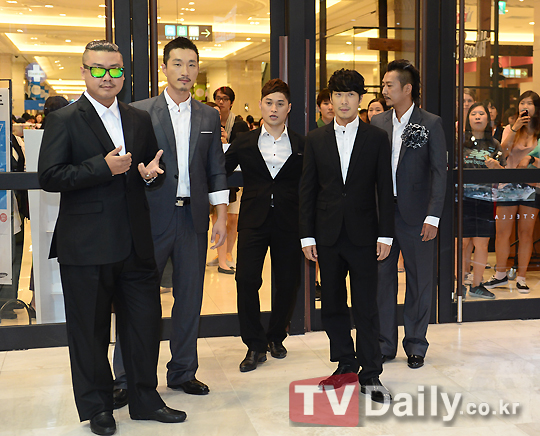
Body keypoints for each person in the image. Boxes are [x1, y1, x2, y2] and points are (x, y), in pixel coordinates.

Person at [37, 40, 186, 436]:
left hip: (135, 244)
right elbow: (49, 176)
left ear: (123, 73)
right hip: (86, 246)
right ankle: (98, 407)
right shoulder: (65, 119)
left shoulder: (137, 118)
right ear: (84, 72)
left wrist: (149, 176)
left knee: (144, 326)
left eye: (115, 70)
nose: (107, 77)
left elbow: (149, 169)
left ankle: (145, 400)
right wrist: (101, 168)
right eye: (98, 69)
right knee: (89, 332)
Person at [110, 37, 228, 398]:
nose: (185, 71)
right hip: (151, 218)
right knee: (137, 299)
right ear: (164, 68)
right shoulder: (140, 111)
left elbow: (216, 169)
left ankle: (182, 371)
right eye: (177, 64)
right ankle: (126, 378)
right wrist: (143, 174)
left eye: (191, 64)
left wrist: (221, 216)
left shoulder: (209, 115)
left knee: (189, 300)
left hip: (193, 219)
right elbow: (128, 165)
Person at [300, 68, 394, 403]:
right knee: (333, 305)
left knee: (366, 306)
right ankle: (345, 365)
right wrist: (306, 237)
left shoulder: (376, 138)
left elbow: (385, 189)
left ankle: (371, 374)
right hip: (327, 235)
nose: (343, 101)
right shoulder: (315, 139)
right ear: (330, 99)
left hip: (365, 234)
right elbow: (307, 190)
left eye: (350, 95)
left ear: (359, 99)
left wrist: (386, 235)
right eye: (338, 95)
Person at [225, 78, 304, 372]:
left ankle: (276, 336)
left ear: (288, 108)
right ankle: (254, 345)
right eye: (269, 103)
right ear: (260, 105)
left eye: (280, 104)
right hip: (253, 219)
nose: (274, 109)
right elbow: (219, 171)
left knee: (287, 282)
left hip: (289, 220)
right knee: (246, 280)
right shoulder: (244, 142)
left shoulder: (301, 144)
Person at [373, 59, 447, 370]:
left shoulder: (430, 122)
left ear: (407, 88)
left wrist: (433, 217)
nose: (384, 89)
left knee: (419, 281)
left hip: (417, 216)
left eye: (389, 85)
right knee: (382, 280)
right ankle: (384, 344)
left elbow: (439, 172)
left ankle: (416, 344)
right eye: (383, 84)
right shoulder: (377, 122)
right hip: (383, 214)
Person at [484, 91, 540, 293]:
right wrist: (515, 128)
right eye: (522, 102)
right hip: (508, 185)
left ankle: (521, 278)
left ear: (537, 108)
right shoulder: (510, 128)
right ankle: (500, 275)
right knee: (502, 233)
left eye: (530, 103)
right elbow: (502, 153)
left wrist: (531, 159)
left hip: (532, 187)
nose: (525, 106)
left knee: (526, 233)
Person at [461, 102, 503, 299]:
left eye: (481, 114)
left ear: (488, 119)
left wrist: (496, 166)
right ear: (468, 119)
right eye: (473, 114)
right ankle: (458, 283)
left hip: (485, 199)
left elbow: (503, 174)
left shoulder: (495, 144)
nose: (477, 117)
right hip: (461, 198)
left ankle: (477, 285)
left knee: (482, 243)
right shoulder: (459, 143)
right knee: (461, 243)